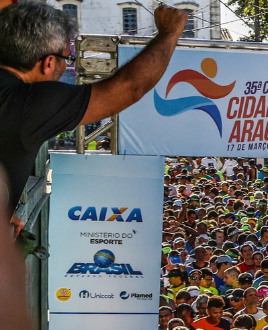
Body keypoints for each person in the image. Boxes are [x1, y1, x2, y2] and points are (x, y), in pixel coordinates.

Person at [0, 3, 189, 213]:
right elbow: (131, 88)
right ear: (49, 63)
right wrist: (170, 32)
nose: (65, 67)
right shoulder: (30, 104)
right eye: (67, 58)